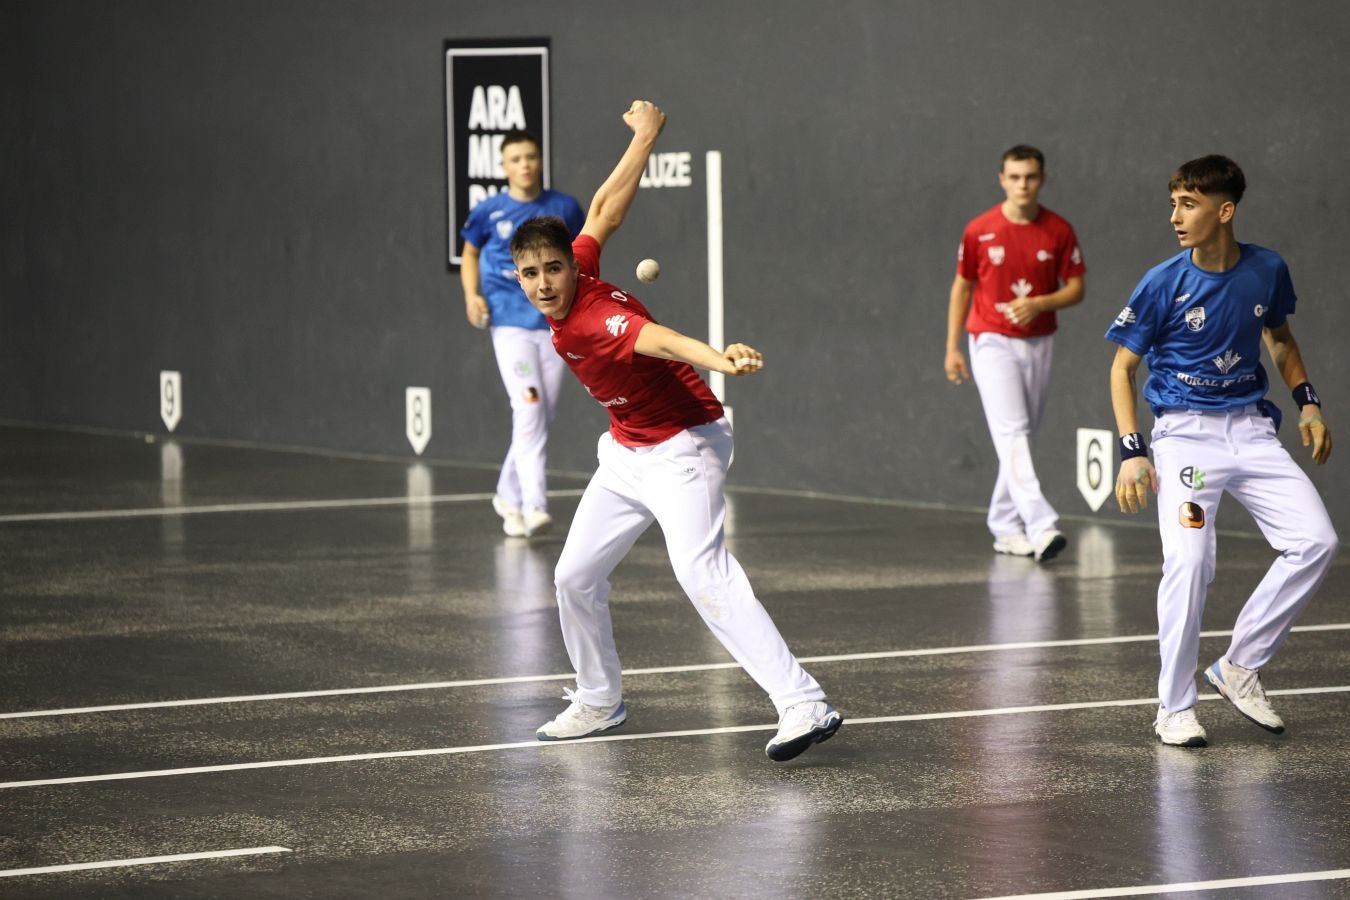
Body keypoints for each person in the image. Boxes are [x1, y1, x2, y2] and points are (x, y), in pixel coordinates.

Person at [514, 100, 841, 762]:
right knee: (575, 576)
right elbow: (605, 209)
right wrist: (646, 136)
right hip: (629, 449)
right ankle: (599, 699)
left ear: (572, 271)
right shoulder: (576, 267)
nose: (545, 283)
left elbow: (657, 340)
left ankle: (802, 702)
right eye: (531, 273)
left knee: (700, 571)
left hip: (685, 446)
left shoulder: (593, 318)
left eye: (553, 270)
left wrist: (721, 358)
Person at [1106, 154, 1337, 748]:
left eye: (1189, 204)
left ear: (1224, 210)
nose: (1176, 217)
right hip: (1185, 438)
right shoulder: (1163, 281)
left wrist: (1308, 402)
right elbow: (1123, 367)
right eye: (1174, 203)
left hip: (1252, 432)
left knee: (1316, 541)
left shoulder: (1267, 269)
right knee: (1189, 563)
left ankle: (1238, 666)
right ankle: (1175, 707)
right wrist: (1133, 451)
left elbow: (1280, 338)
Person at [944, 145, 1086, 562]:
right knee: (1014, 433)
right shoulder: (979, 230)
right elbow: (962, 287)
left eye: (1031, 177)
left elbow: (1077, 288)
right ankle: (1041, 525)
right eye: (1015, 177)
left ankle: (1004, 526)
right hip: (990, 339)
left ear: (1041, 179)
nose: (1023, 184)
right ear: (1002, 179)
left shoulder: (1058, 230)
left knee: (1021, 437)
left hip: (1041, 341)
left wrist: (1040, 303)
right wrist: (953, 347)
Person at [460, 129, 586, 538]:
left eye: (530, 157)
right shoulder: (489, 210)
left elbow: (580, 254)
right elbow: (471, 252)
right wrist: (471, 296)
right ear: (504, 166)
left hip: (553, 323)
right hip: (509, 323)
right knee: (530, 407)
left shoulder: (564, 207)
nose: (525, 165)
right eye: (516, 159)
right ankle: (534, 504)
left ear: (539, 160)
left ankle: (506, 495)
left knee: (541, 414)